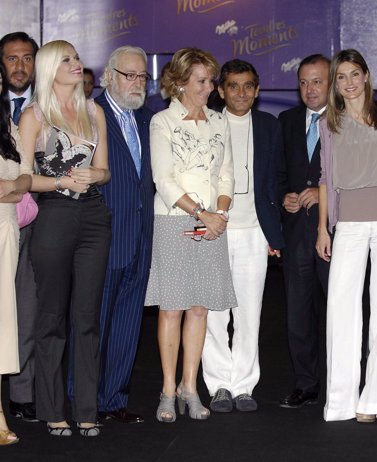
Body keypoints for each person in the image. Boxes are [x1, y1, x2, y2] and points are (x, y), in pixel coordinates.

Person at [316, 49, 377, 423]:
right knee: (341, 308)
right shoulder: (329, 123)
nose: (349, 82)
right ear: (335, 84)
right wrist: (323, 229)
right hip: (351, 221)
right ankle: (340, 400)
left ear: (367, 75)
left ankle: (373, 401)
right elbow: (326, 178)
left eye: (354, 74)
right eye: (341, 76)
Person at [18, 39, 111, 437]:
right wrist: (59, 180)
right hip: (53, 214)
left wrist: (96, 175)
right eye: (68, 59)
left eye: (77, 57)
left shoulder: (95, 111)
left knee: (87, 317)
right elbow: (21, 179)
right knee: (52, 315)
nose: (78, 64)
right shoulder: (33, 116)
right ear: (51, 67)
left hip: (93, 215)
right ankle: (53, 410)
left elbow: (105, 169)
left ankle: (87, 410)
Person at [145, 47, 236, 424]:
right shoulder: (162, 122)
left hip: (213, 221)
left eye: (210, 80)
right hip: (174, 220)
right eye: (201, 81)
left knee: (200, 307)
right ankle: (168, 390)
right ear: (180, 83)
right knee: (172, 307)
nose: (209, 87)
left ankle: (190, 387)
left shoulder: (219, 122)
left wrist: (220, 212)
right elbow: (163, 180)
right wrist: (202, 213)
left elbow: (227, 174)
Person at [201, 59, 284, 413]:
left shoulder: (269, 125)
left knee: (251, 312)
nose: (241, 92)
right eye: (233, 86)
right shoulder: (206, 123)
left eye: (248, 85)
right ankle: (219, 383)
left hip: (254, 231)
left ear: (258, 90)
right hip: (215, 229)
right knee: (215, 313)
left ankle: (244, 384)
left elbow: (276, 179)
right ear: (220, 90)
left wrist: (273, 232)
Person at [91, 46, 154, 423]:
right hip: (103, 236)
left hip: (142, 238)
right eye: (129, 75)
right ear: (109, 76)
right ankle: (82, 398)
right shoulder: (89, 115)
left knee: (128, 323)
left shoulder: (149, 119)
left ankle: (114, 399)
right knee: (92, 323)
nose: (137, 83)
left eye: (143, 76)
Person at [277, 54, 331, 409]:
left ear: (330, 83)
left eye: (317, 81)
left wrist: (322, 192)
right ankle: (306, 383)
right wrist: (285, 196)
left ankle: (342, 382)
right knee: (298, 312)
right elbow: (277, 171)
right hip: (297, 232)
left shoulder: (346, 120)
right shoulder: (287, 120)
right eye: (304, 82)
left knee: (338, 312)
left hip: (336, 232)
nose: (310, 89)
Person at [0, 31, 40, 424]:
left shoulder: (49, 107)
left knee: (27, 311)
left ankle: (23, 394)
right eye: (12, 59)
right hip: (1, 224)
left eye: (27, 58)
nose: (20, 66)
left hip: (38, 225)